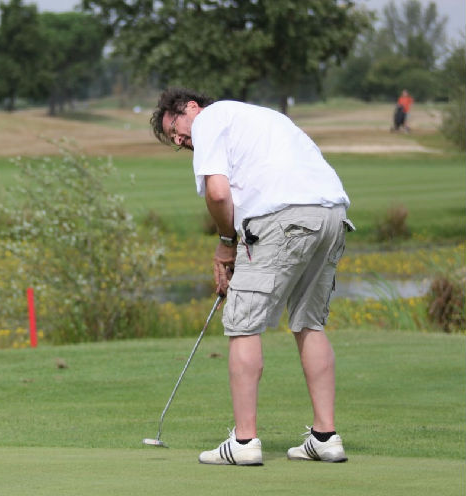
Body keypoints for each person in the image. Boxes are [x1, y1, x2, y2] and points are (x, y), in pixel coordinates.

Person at [150, 88, 355, 466]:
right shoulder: (261, 117)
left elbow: (217, 193)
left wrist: (226, 243)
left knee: (243, 323)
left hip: (281, 217)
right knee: (309, 322)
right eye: (173, 139)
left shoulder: (209, 121)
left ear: (192, 107)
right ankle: (325, 438)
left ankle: (244, 441)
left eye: (175, 128)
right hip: (331, 215)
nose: (178, 140)